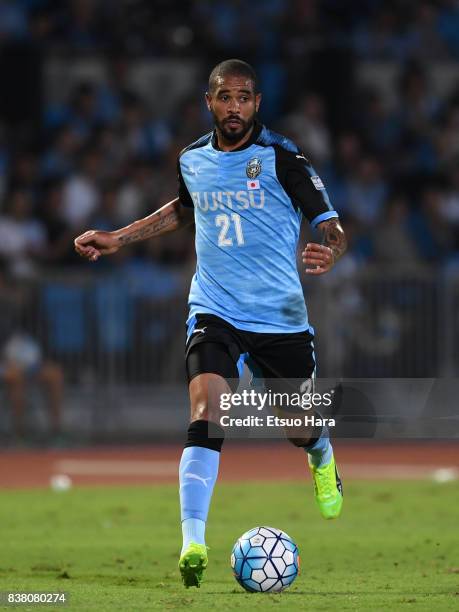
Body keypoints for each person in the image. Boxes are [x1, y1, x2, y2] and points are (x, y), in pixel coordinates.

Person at [74, 59, 347, 588]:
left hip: (279, 317)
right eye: (225, 97)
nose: (235, 107)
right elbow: (183, 208)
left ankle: (322, 455)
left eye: (244, 98)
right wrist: (117, 238)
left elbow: (332, 225)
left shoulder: (283, 159)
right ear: (210, 102)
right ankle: (193, 541)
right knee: (206, 406)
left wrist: (332, 252)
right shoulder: (193, 159)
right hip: (214, 308)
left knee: (298, 427)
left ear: (257, 104)